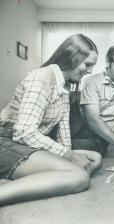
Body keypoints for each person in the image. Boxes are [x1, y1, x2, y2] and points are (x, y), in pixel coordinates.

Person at [0, 34, 101, 205]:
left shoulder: (63, 86)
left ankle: (17, 181)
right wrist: (68, 156)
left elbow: (64, 135)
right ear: (72, 57)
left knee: (94, 157)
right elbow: (23, 132)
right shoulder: (42, 77)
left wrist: (68, 154)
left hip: (28, 145)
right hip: (7, 142)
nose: (90, 71)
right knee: (79, 177)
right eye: (87, 64)